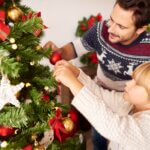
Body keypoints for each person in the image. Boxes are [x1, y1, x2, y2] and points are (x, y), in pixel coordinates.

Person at [44, 0, 150, 149]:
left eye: (121, 26)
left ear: (140, 29)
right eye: (112, 19)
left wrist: (74, 82)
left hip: (130, 101)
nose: (111, 29)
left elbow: (112, 126)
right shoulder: (102, 30)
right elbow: (73, 49)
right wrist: (58, 53)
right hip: (104, 93)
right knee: (99, 139)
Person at [53, 60, 150, 150]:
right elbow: (99, 95)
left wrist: (72, 82)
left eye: (137, 83)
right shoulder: (130, 104)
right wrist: (77, 74)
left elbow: (111, 125)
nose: (128, 83)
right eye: (132, 79)